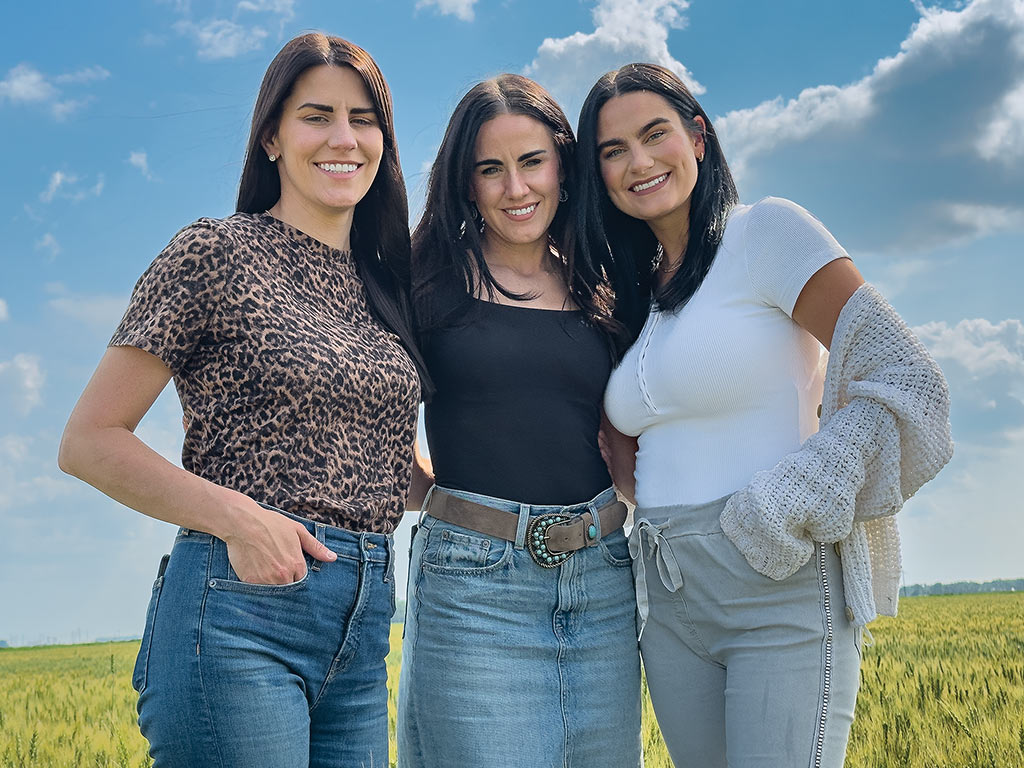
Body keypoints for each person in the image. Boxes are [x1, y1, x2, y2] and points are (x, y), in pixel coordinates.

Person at [57, 32, 428, 768]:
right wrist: (240, 519)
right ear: (270, 138)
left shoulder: (386, 286)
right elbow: (90, 440)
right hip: (238, 613)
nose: (343, 138)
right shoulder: (215, 251)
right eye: (316, 116)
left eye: (363, 119)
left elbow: (385, 467)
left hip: (364, 624)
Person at [576, 62, 953, 768]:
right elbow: (632, 436)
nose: (638, 162)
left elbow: (906, 375)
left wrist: (783, 503)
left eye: (655, 134)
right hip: (665, 595)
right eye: (612, 151)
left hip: (773, 579)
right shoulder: (635, 292)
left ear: (698, 135)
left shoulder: (769, 233)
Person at [397, 74, 642, 768]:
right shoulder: (425, 284)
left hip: (601, 578)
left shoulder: (607, 284)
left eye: (532, 161)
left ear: (563, 165)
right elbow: (369, 410)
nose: (516, 188)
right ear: (464, 184)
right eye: (490, 169)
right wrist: (443, 501)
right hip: (474, 590)